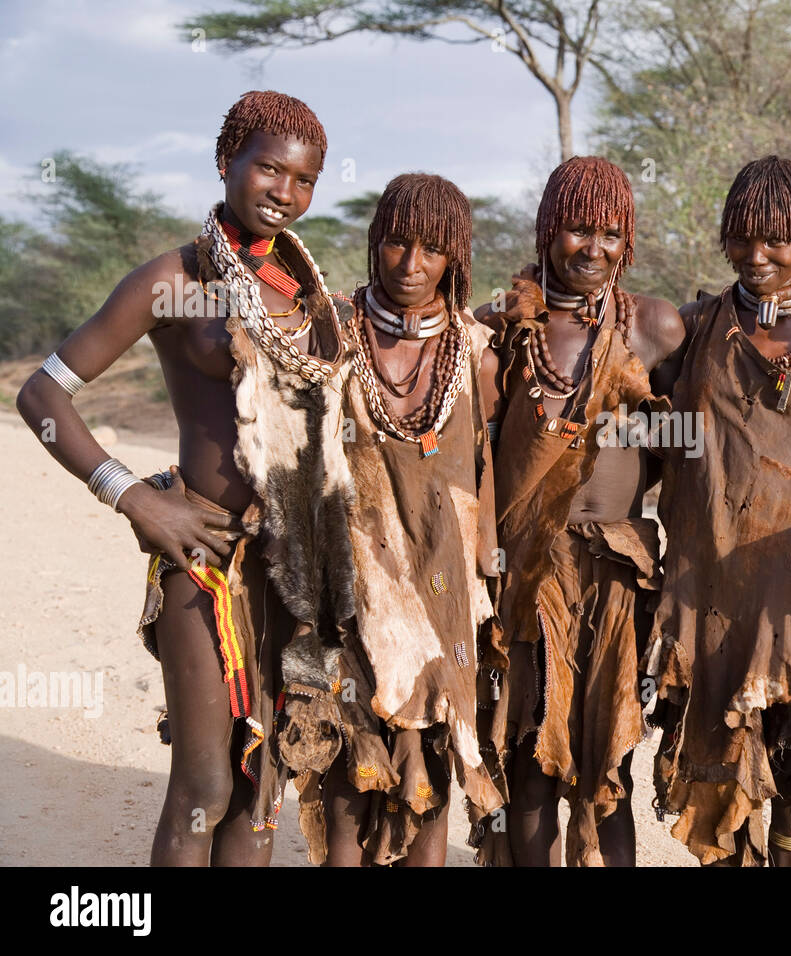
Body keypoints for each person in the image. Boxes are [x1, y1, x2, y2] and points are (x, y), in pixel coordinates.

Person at [16, 90, 354, 865]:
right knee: (205, 785)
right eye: (269, 169)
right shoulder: (173, 281)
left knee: (263, 784)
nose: (286, 194)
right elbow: (41, 393)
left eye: (304, 180)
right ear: (225, 161)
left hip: (294, 569)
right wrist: (129, 493)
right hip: (202, 559)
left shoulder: (307, 295)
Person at [474, 156, 686, 866]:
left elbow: (688, 447)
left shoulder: (655, 327)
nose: (591, 249)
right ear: (546, 229)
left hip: (621, 573)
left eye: (609, 234)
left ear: (627, 240)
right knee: (533, 759)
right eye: (575, 230)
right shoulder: (502, 330)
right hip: (529, 571)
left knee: (610, 766)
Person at [644, 155, 791, 867]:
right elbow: (637, 432)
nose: (757, 256)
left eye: (776, 241)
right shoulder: (691, 331)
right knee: (713, 758)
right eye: (742, 238)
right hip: (707, 589)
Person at [293, 174, 505, 866]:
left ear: (457, 259)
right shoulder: (328, 330)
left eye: (432, 250)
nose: (411, 265)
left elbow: (488, 464)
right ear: (373, 244)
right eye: (396, 244)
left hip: (445, 595)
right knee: (350, 764)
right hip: (350, 585)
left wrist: (489, 565)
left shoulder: (477, 350)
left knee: (432, 771)